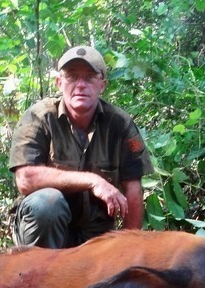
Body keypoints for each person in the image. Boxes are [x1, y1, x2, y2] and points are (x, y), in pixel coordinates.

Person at [9, 45, 154, 248]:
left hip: (96, 236)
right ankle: (39, 274)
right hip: (46, 231)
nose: (80, 85)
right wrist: (94, 181)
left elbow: (134, 190)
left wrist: (128, 249)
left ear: (102, 85)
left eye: (89, 77)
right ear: (59, 83)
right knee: (47, 203)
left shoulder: (120, 124)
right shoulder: (38, 118)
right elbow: (25, 179)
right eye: (72, 77)